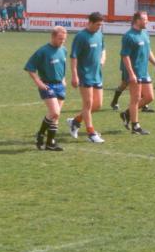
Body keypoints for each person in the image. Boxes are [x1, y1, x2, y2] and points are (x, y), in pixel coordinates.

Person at [24, 26, 68, 151]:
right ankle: (41, 134)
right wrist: (38, 82)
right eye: (60, 39)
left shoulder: (63, 50)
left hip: (60, 85)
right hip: (48, 85)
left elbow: (63, 66)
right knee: (55, 112)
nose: (62, 41)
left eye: (64, 39)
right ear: (53, 37)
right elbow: (30, 67)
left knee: (55, 117)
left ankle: (50, 143)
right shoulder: (43, 51)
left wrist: (63, 79)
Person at [119, 11, 155, 135]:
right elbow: (125, 56)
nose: (147, 21)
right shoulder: (129, 36)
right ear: (137, 20)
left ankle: (127, 113)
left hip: (144, 71)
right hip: (134, 72)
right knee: (136, 99)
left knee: (149, 97)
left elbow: (148, 51)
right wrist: (131, 74)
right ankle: (135, 126)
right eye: (145, 19)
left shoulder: (145, 33)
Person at [66, 12, 106, 144]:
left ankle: (75, 121)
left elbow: (103, 49)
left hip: (97, 74)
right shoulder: (81, 37)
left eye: (101, 24)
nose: (99, 27)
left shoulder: (100, 34)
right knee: (88, 104)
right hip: (85, 75)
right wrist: (74, 75)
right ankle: (91, 133)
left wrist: (102, 59)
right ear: (90, 22)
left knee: (97, 105)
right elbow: (73, 57)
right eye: (97, 24)